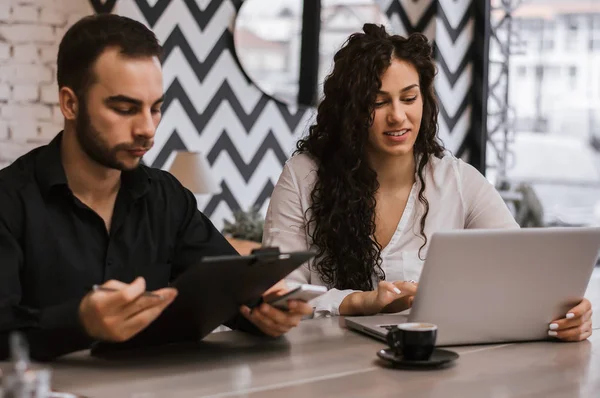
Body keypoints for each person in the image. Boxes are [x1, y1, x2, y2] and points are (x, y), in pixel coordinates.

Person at [0, 14, 311, 361]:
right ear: (70, 103)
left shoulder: (167, 198)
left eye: (156, 108)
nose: (147, 129)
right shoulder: (9, 201)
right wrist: (80, 322)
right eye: (124, 109)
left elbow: (226, 294)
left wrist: (264, 313)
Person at [262, 24, 592, 342]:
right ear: (350, 110)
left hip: (431, 364)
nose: (398, 116)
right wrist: (358, 303)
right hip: (323, 370)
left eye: (409, 98)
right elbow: (279, 294)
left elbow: (524, 273)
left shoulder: (458, 181)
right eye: (378, 102)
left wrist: (567, 313)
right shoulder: (304, 176)